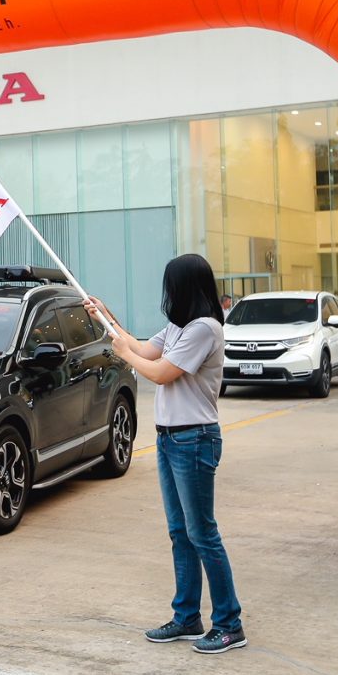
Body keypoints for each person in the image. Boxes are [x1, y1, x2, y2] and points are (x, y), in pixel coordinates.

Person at [86, 254, 247, 654]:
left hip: (194, 440)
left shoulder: (204, 329)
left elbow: (159, 372)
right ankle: (187, 617)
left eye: (171, 285)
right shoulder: (178, 327)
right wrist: (106, 316)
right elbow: (142, 347)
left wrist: (124, 353)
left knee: (202, 533)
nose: (167, 292)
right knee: (180, 532)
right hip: (170, 439)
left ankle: (229, 624)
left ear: (186, 287)